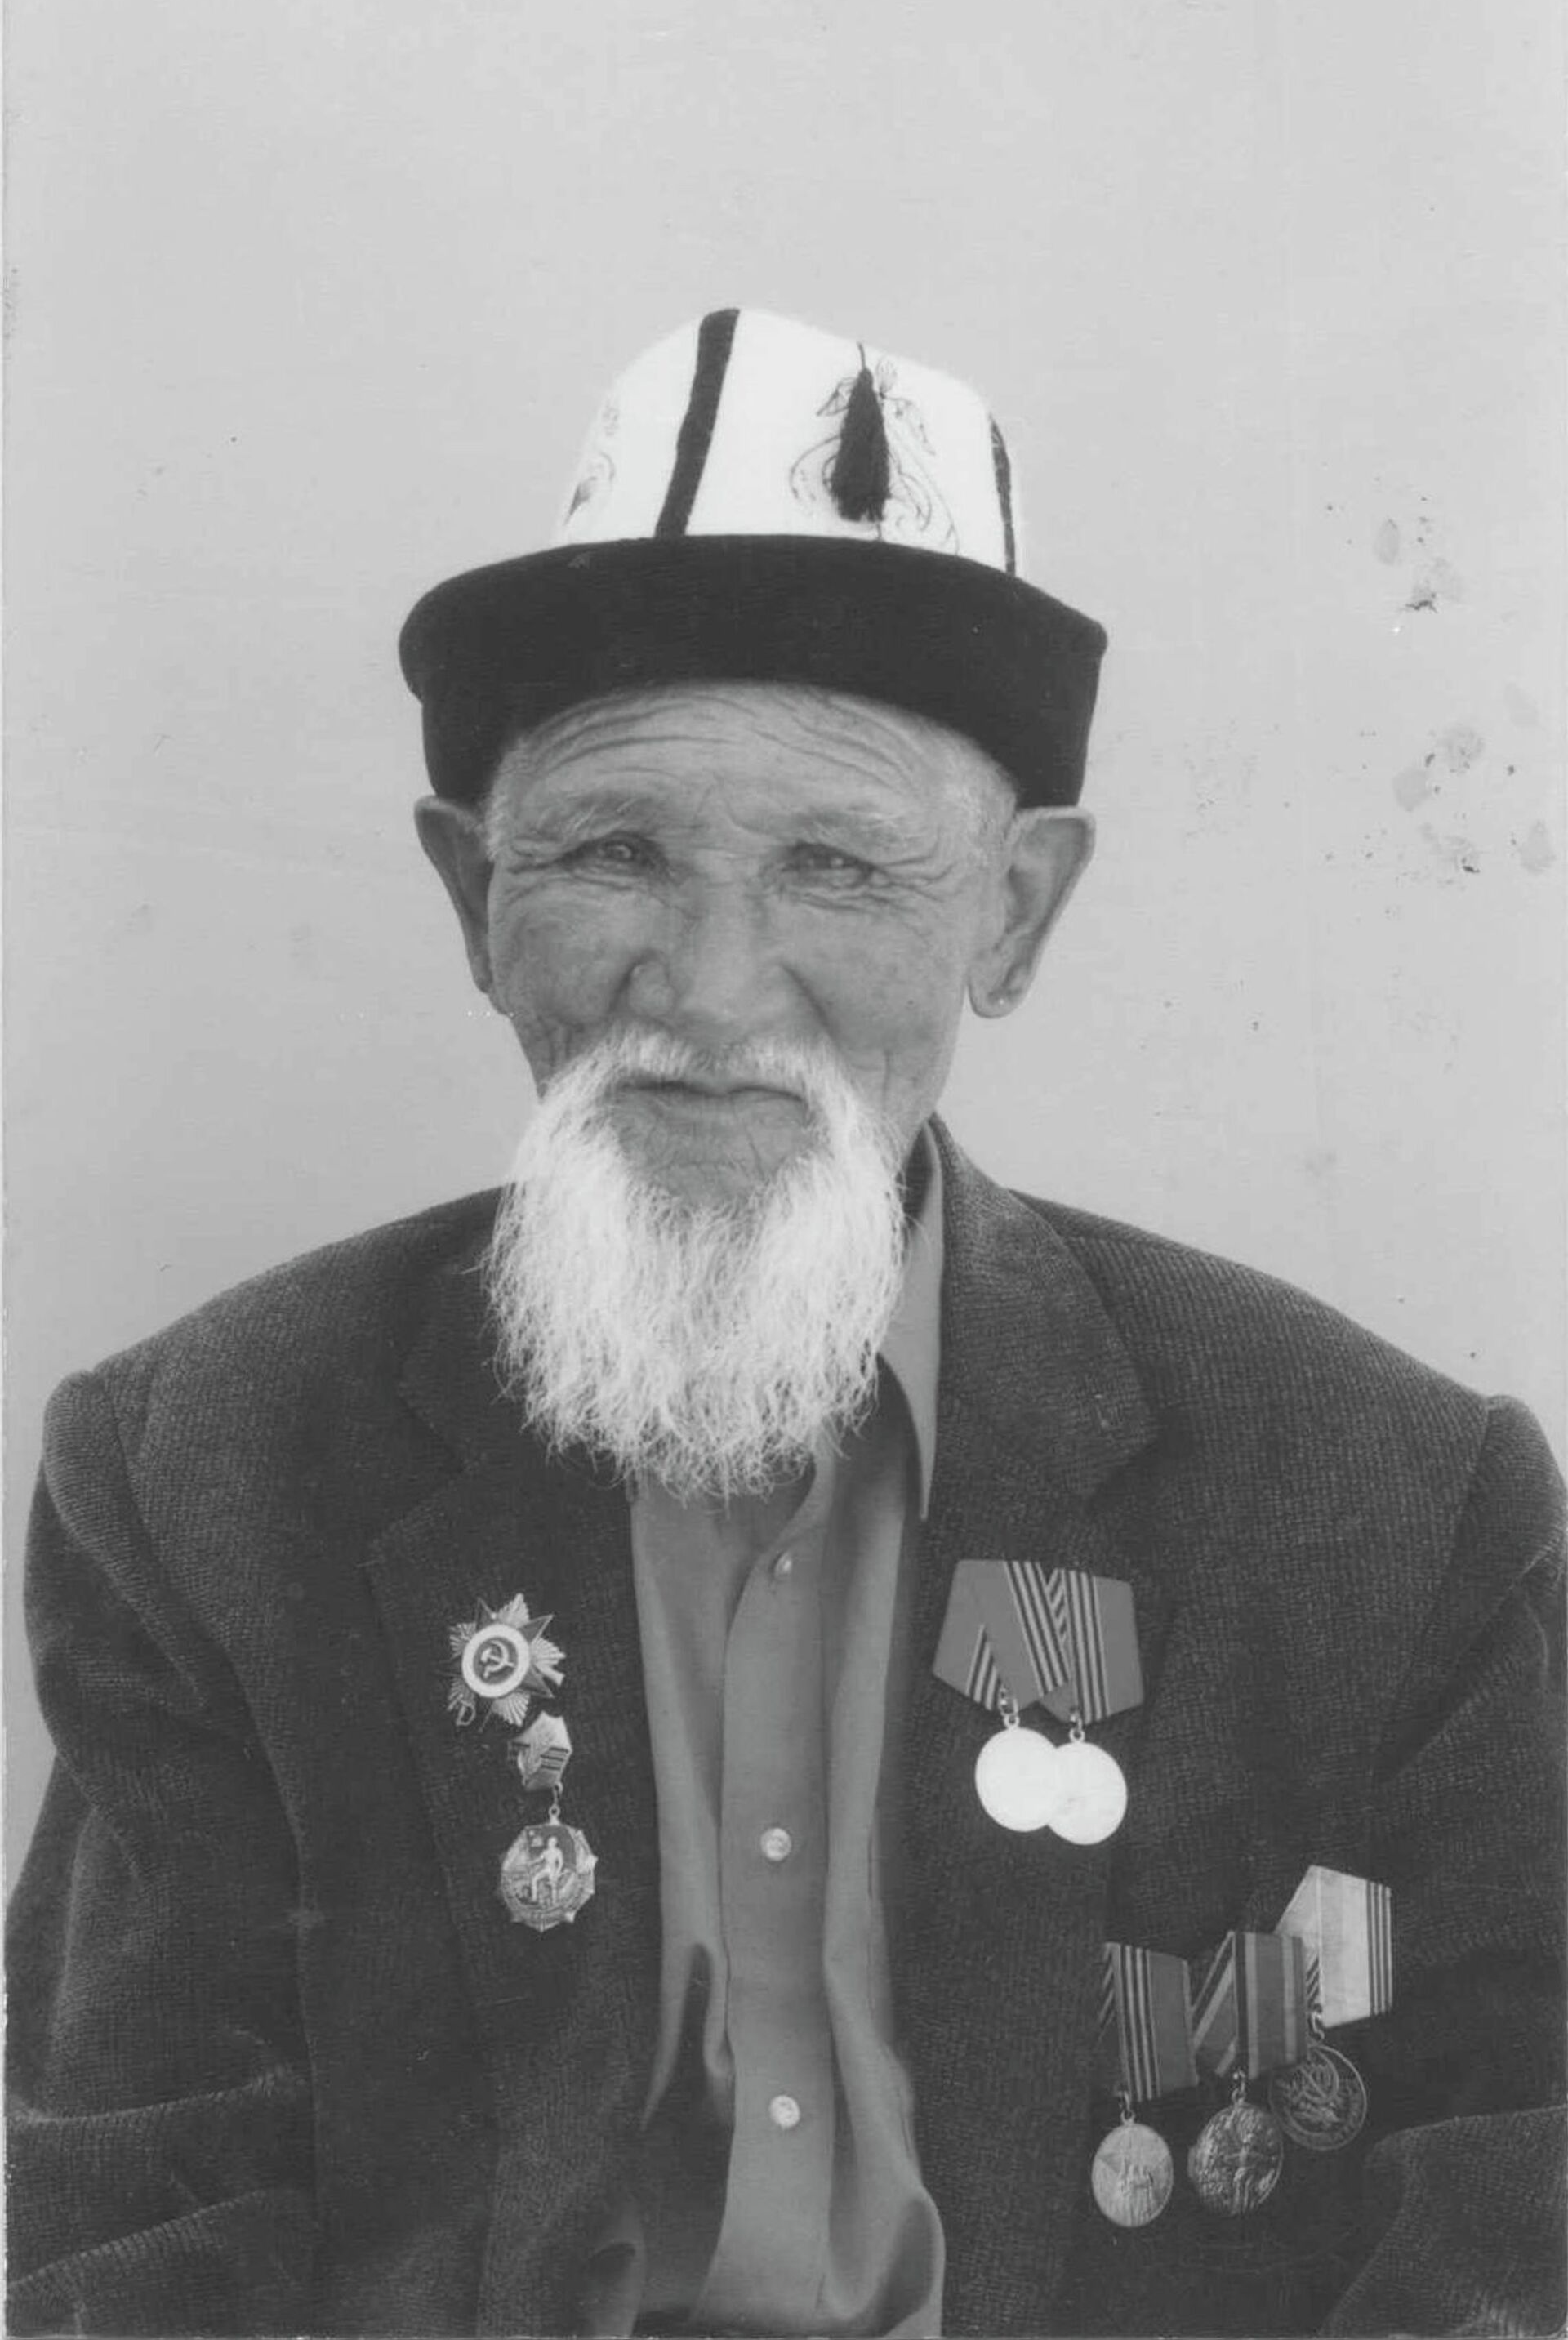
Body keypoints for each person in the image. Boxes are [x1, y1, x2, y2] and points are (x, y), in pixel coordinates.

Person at [7, 309, 1563, 2340]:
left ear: (1014, 914)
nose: (717, 989)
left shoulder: (1394, 1502)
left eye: (837, 866)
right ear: (474, 896)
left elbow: (1525, 2186)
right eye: (612, 852)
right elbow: (129, 2218)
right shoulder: (206, 1466)